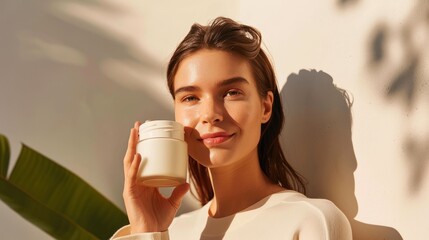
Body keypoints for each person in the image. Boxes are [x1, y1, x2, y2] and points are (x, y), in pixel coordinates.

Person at [111, 17, 352, 240]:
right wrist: (146, 229)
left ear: (266, 107)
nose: (210, 115)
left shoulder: (310, 220)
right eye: (190, 98)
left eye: (231, 93)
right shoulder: (169, 232)